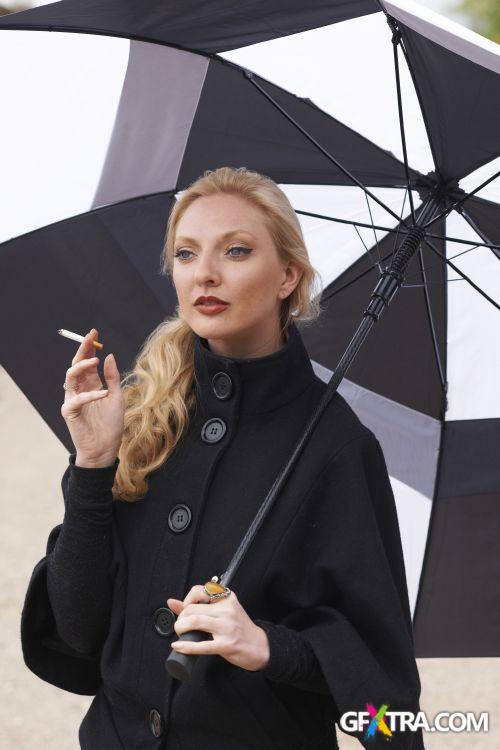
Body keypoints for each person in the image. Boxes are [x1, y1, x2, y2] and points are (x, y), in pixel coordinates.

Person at [20, 166, 425, 749]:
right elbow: (80, 634)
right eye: (186, 254)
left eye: (236, 251)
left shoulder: (337, 448)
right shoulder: (141, 415)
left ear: (288, 275)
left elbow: (386, 714)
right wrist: (92, 463)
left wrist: (269, 647)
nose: (205, 274)